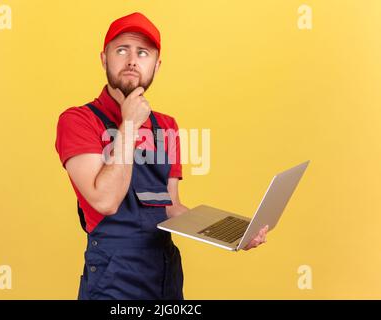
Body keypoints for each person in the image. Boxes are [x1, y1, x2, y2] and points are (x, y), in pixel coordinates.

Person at [55, 12, 268, 300]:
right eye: (122, 50)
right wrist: (129, 124)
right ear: (104, 58)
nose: (132, 60)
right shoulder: (78, 121)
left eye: (142, 52)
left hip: (164, 273)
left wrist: (229, 232)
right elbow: (104, 201)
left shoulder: (166, 126)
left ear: (156, 64)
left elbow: (170, 207)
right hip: (112, 278)